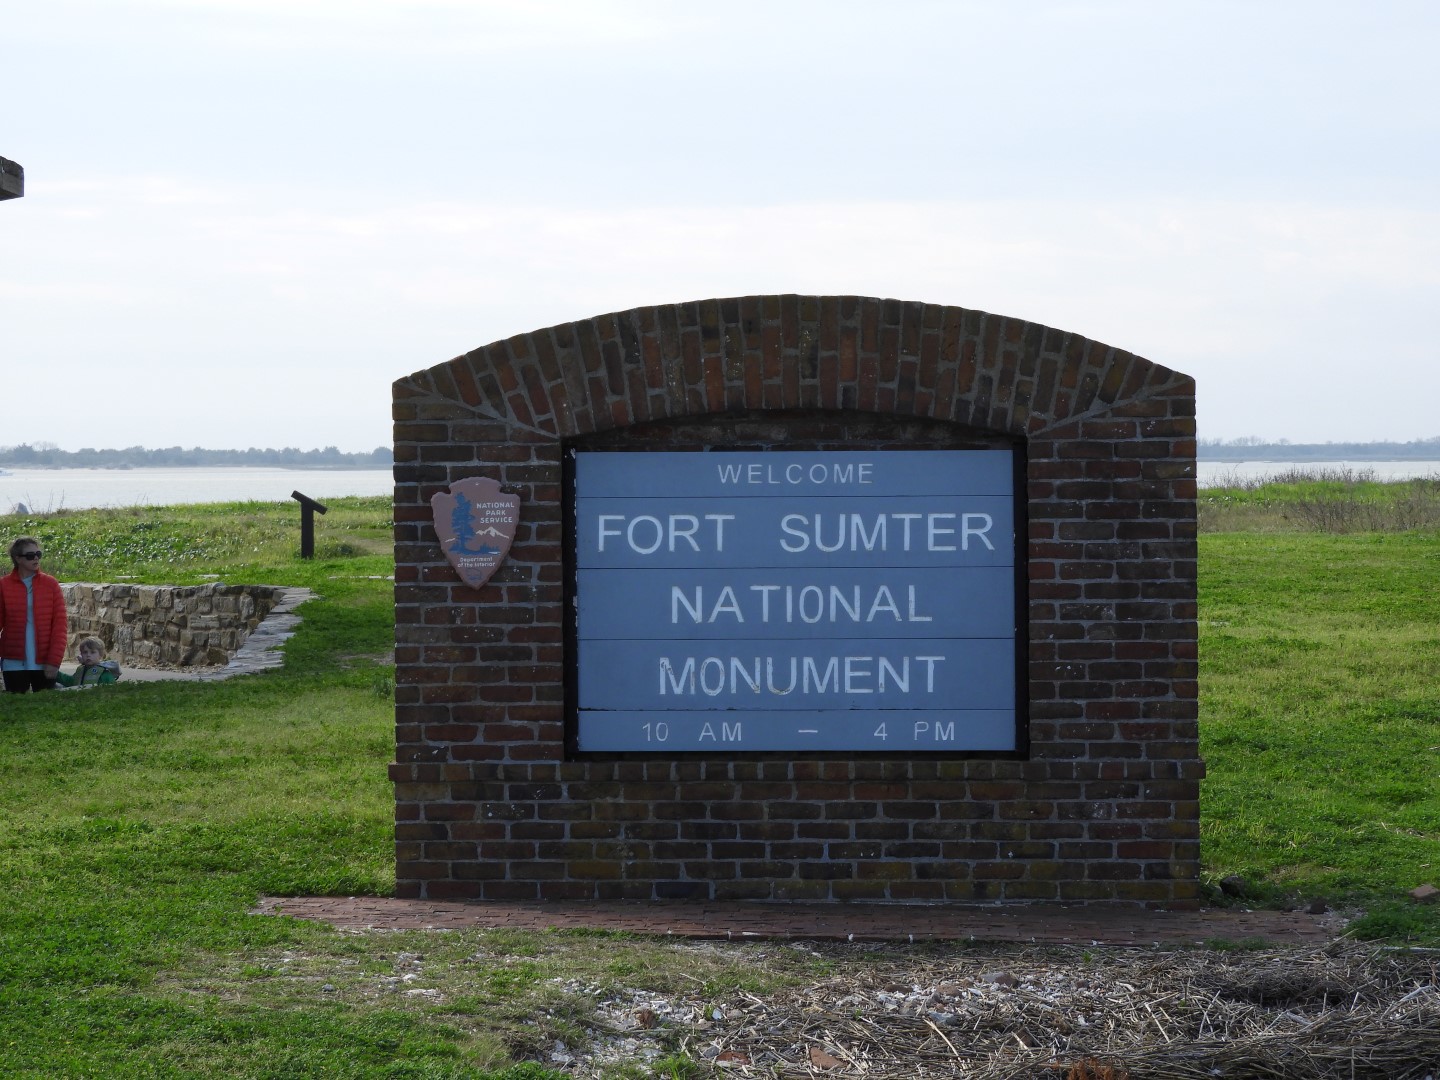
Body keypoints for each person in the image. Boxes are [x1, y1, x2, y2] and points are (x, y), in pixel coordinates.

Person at [0, 536, 68, 693]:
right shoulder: (3, 585)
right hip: (13, 661)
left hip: (44, 661)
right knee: (17, 708)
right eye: (30, 555)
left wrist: (54, 661)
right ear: (18, 559)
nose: (36, 558)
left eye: (38, 554)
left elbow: (60, 626)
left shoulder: (51, 584)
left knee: (46, 710)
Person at [55, 636, 121, 688]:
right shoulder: (80, 669)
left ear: (101, 655)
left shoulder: (105, 673)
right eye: (85, 652)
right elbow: (71, 682)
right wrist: (56, 674)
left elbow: (112, 691)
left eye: (92, 652)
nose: (88, 655)